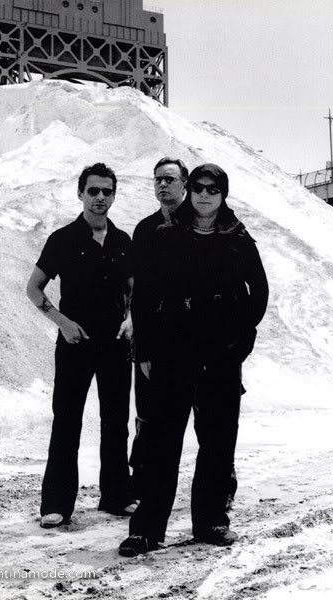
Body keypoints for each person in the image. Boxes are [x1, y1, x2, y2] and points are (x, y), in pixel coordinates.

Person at [119, 163, 269, 556]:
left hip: (221, 355)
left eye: (212, 188)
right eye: (199, 187)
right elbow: (146, 294)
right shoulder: (167, 234)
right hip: (173, 351)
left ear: (223, 194)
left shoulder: (237, 237)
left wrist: (241, 341)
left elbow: (258, 293)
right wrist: (145, 348)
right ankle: (146, 530)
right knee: (161, 443)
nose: (204, 194)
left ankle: (212, 522)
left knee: (218, 441)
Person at [26, 162, 136, 528]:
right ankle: (56, 504)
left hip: (116, 344)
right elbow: (33, 288)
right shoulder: (62, 239)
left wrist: (131, 319)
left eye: (107, 191)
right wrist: (62, 322)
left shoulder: (122, 241)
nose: (100, 197)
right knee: (67, 421)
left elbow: (134, 288)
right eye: (93, 191)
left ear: (113, 196)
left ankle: (116, 496)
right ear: (80, 194)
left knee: (116, 422)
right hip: (75, 343)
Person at [129, 156, 189, 497]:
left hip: (196, 341)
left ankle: (220, 488)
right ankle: (142, 481)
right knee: (148, 414)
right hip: (156, 340)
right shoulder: (145, 230)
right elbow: (140, 295)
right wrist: (143, 350)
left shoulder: (201, 224)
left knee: (209, 420)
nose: (163, 184)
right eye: (158, 180)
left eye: (170, 179)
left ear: (184, 184)